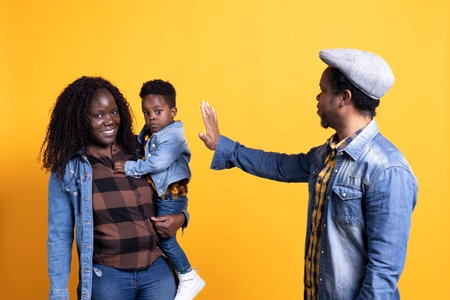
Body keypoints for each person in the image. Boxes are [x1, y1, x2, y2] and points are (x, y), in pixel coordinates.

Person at [199, 49, 418, 299]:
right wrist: (223, 146)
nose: (317, 96)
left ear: (344, 98)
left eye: (323, 89)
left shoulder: (387, 169)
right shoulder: (327, 154)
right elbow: (280, 166)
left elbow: (383, 274)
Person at [41, 76, 187, 300]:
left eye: (113, 112)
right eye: (98, 115)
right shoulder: (70, 168)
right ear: (81, 119)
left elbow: (172, 188)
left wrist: (182, 217)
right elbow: (59, 236)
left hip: (157, 273)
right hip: (109, 279)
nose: (109, 121)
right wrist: (59, 294)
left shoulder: (140, 149)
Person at [115, 79, 205, 300]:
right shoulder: (153, 132)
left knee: (165, 238)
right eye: (147, 113)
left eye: (158, 111)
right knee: (158, 237)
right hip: (164, 195)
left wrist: (129, 167)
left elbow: (156, 164)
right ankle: (178, 273)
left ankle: (187, 275)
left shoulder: (173, 137)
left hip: (171, 197)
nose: (151, 117)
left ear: (172, 112)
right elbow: (141, 141)